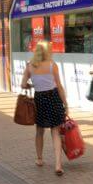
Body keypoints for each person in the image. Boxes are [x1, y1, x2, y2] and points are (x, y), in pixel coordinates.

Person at [20, 40, 69, 176]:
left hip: (39, 99)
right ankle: (58, 164)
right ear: (48, 51)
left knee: (39, 131)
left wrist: (32, 85)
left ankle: (40, 159)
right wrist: (65, 103)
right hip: (53, 98)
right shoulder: (52, 65)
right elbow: (59, 86)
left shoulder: (30, 66)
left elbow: (23, 84)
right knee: (55, 132)